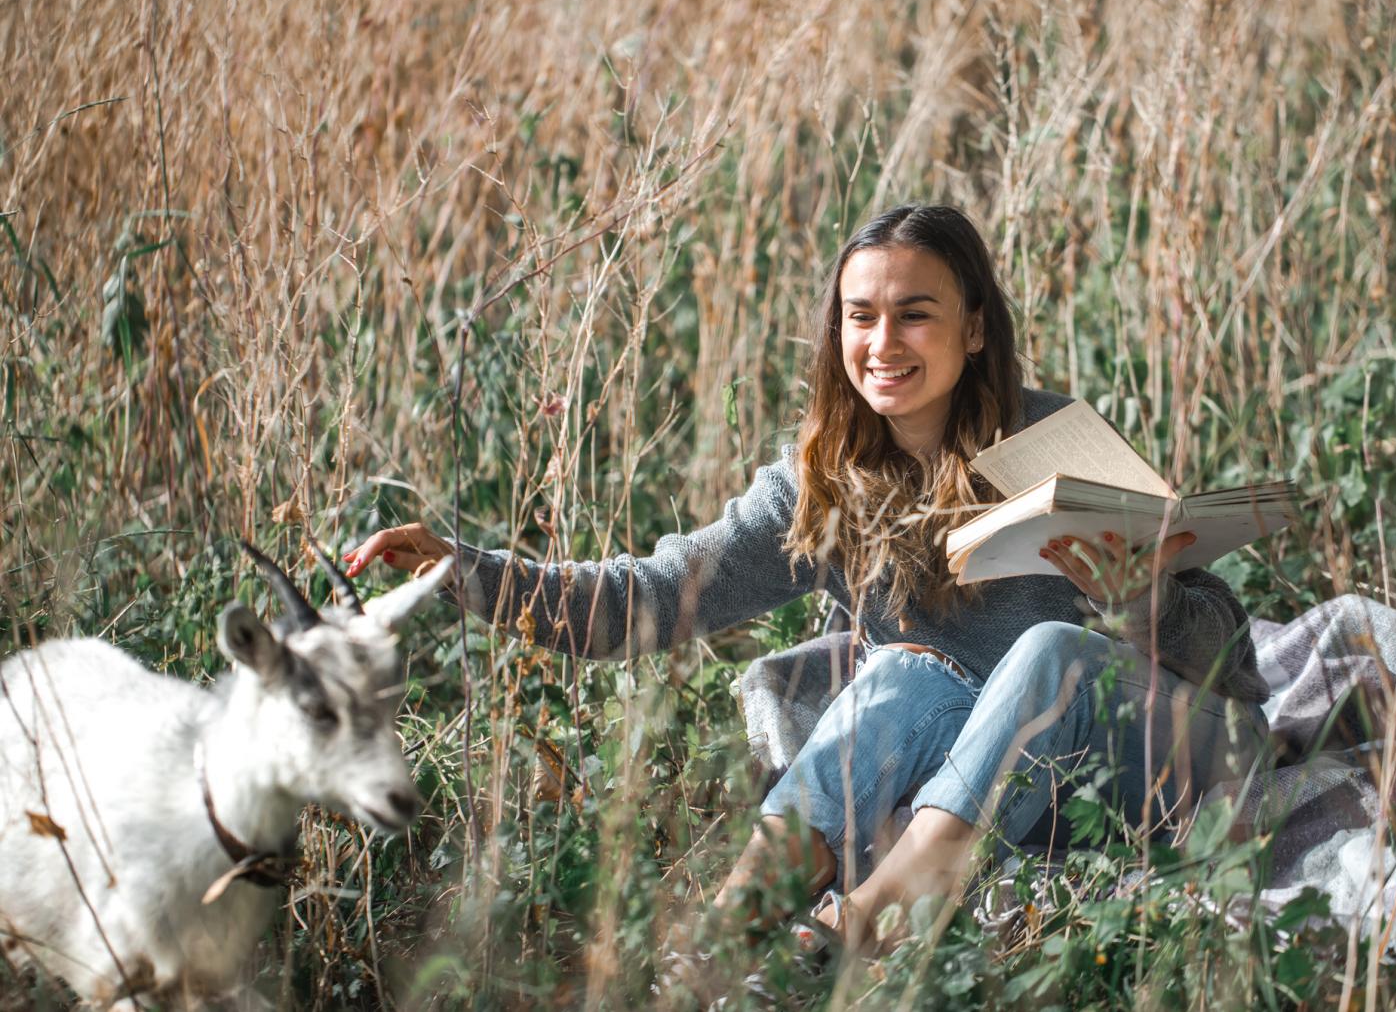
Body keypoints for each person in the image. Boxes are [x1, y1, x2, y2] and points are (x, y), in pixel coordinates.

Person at [345, 204, 1270, 952]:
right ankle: (722, 937)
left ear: (975, 326)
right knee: (905, 670)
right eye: (860, 314)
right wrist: (467, 572)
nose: (882, 340)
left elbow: (1233, 665)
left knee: (1047, 649)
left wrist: (1140, 597)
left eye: (915, 312)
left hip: (1162, 768)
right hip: (1001, 792)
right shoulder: (823, 484)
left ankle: (861, 927)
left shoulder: (1055, 443)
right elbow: (658, 597)